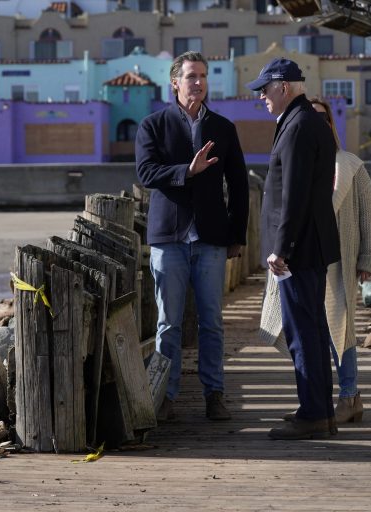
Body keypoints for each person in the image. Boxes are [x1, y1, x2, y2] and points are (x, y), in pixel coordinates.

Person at [135, 51, 249, 422]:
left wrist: (238, 235)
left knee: (212, 322)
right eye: (190, 77)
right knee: (168, 322)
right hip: (169, 238)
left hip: (211, 239)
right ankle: (165, 396)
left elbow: (240, 186)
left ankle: (214, 394)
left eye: (202, 76)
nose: (197, 82)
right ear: (175, 83)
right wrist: (188, 170)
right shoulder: (153, 125)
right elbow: (146, 173)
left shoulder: (223, 128)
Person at [246, 58, 340, 440]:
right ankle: (319, 410)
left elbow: (295, 195)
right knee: (312, 330)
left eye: (265, 90)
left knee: (304, 333)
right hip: (309, 245)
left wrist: (281, 247)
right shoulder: (305, 120)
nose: (262, 98)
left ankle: (315, 415)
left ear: (283, 86)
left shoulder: (299, 125)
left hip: (298, 250)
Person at [309, 97, 371, 423]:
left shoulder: (351, 165)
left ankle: (349, 395)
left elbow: (368, 215)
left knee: (342, 328)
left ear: (330, 124)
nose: (317, 124)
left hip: (340, 259)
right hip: (306, 260)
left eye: (323, 118)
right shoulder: (296, 164)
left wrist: (368, 258)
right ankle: (321, 399)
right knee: (313, 333)